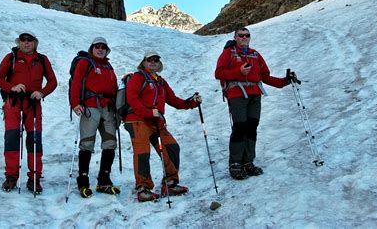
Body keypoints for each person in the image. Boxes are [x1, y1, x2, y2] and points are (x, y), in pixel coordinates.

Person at [215, 27, 293, 180]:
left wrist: (285, 81)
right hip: (237, 93)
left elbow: (265, 76)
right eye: (241, 35)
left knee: (252, 127)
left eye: (247, 35)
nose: (244, 37)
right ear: (235, 37)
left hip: (255, 95)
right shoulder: (228, 53)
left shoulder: (255, 54)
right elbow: (218, 73)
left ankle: (247, 161)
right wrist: (239, 72)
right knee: (240, 127)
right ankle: (235, 163)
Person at [124, 51, 202, 202]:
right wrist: (148, 112)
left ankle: (170, 183)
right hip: (137, 120)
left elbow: (173, 100)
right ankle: (143, 188)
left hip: (156, 122)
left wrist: (192, 102)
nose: (153, 62)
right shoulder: (137, 78)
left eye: (156, 60)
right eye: (150, 60)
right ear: (144, 62)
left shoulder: (161, 82)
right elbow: (132, 99)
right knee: (142, 153)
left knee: (172, 147)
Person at [0, 31, 57, 193]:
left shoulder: (42, 60)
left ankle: (34, 177)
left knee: (34, 140)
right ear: (19, 42)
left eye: (29, 40)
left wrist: (42, 92)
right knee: (12, 139)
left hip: (33, 103)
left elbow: (52, 81)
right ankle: (11, 176)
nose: (26, 43)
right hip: (13, 102)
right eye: (23, 40)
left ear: (35, 43)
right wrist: (11, 87)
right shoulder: (11, 58)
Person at [70, 37, 119, 198]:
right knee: (87, 144)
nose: (100, 49)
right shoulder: (85, 62)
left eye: (103, 47)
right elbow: (76, 82)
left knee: (110, 143)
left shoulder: (108, 65)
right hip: (90, 106)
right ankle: (83, 181)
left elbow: (114, 87)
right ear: (92, 48)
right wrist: (75, 103)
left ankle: (104, 180)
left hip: (107, 108)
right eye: (97, 47)